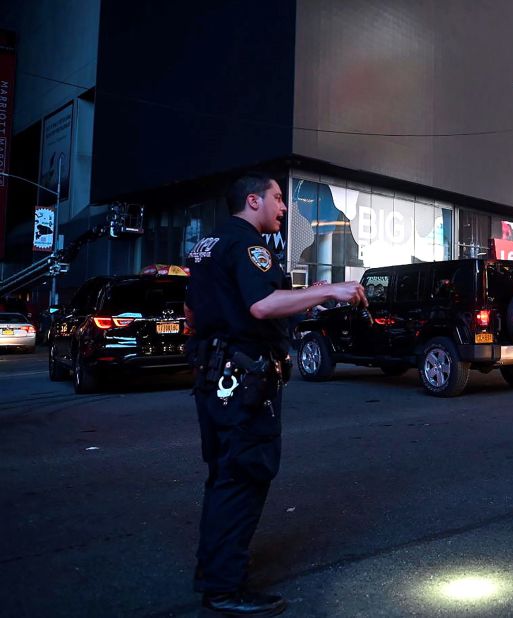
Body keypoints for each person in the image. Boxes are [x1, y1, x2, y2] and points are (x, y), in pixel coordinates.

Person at [184, 173, 366, 616]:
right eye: (277, 199)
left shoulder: (207, 245)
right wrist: (329, 288)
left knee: (223, 475)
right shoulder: (249, 245)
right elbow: (262, 305)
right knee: (246, 474)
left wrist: (314, 300)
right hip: (243, 381)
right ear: (252, 201)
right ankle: (226, 586)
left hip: (214, 376)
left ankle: (214, 570)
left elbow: (201, 308)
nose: (283, 208)